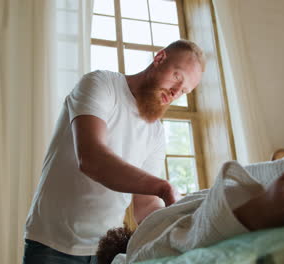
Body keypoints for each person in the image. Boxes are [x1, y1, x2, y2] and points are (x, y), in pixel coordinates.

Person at [97, 110, 284, 264]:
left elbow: (170, 243)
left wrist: (258, 210)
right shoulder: (134, 251)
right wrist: (257, 209)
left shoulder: (137, 248)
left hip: (276, 182)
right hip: (272, 182)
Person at [22, 40, 205, 264]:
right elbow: (91, 158)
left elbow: (146, 204)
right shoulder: (101, 83)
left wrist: (176, 229)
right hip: (53, 246)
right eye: (178, 77)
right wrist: (163, 187)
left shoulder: (156, 133)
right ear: (159, 58)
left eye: (184, 91)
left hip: (106, 252)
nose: (176, 92)